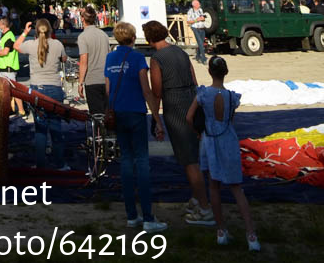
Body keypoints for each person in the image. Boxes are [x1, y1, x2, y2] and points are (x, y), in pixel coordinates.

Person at [187, 56, 260, 250]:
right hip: (227, 140)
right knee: (237, 188)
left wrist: (199, 133)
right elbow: (230, 120)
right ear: (225, 72)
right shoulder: (232, 97)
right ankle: (251, 235)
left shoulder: (203, 95)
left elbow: (189, 117)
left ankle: (221, 231)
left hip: (210, 141)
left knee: (214, 187)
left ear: (210, 72)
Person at [144, 20, 212, 224]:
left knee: (188, 159)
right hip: (191, 100)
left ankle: (205, 208)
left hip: (175, 106)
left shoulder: (156, 59)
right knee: (194, 155)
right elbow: (194, 78)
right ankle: (197, 198)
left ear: (148, 38)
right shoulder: (180, 52)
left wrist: (156, 118)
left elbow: (156, 90)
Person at [104, 22, 168, 233]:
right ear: (133, 38)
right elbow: (146, 90)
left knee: (126, 161)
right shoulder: (138, 58)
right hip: (135, 112)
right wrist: (157, 118)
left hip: (117, 112)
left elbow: (108, 89)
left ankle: (131, 214)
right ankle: (148, 216)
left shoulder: (110, 58)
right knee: (142, 162)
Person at [14, 18, 68, 170]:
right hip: (55, 88)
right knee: (56, 126)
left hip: (38, 89)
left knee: (40, 128)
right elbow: (64, 58)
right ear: (50, 30)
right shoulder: (57, 44)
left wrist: (25, 32)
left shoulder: (31, 45)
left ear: (36, 31)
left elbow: (16, 45)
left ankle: (41, 164)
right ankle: (60, 163)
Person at [77, 5, 110, 116]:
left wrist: (80, 82)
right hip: (106, 79)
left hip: (92, 80)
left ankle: (99, 133)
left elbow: (83, 62)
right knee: (107, 114)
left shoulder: (83, 37)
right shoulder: (104, 35)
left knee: (97, 116)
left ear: (82, 18)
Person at [187, 0, 208, 65]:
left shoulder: (200, 10)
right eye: (198, 4)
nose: (200, 4)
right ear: (194, 5)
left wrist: (203, 18)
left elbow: (203, 18)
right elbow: (188, 21)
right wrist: (197, 20)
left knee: (201, 43)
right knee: (201, 43)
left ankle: (198, 56)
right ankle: (203, 59)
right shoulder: (190, 11)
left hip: (202, 28)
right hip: (195, 28)